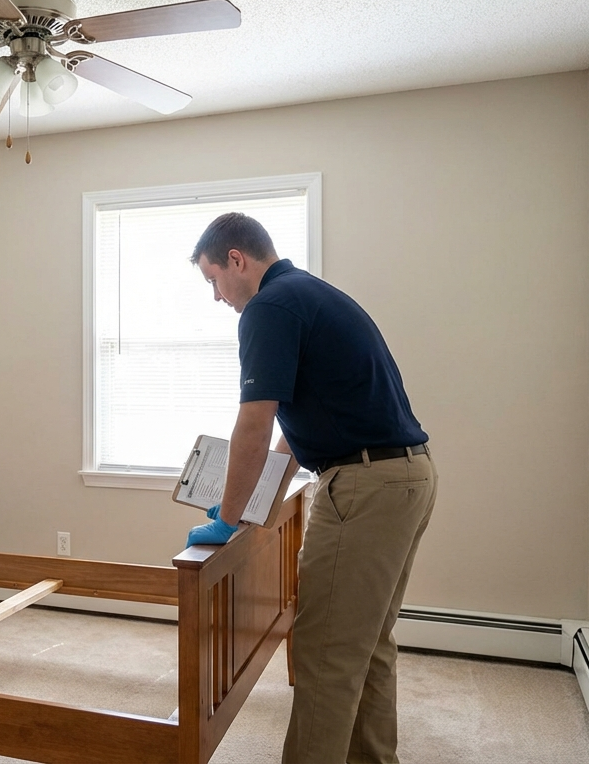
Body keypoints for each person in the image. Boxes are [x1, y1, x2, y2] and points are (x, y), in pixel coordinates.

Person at [184, 212, 437, 764]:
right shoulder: (307, 295)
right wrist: (258, 505)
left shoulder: (268, 308)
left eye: (212, 281)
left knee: (325, 654)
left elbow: (254, 421)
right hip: (405, 477)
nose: (216, 296)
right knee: (367, 648)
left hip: (365, 487)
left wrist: (228, 518)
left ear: (236, 260)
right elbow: (297, 432)